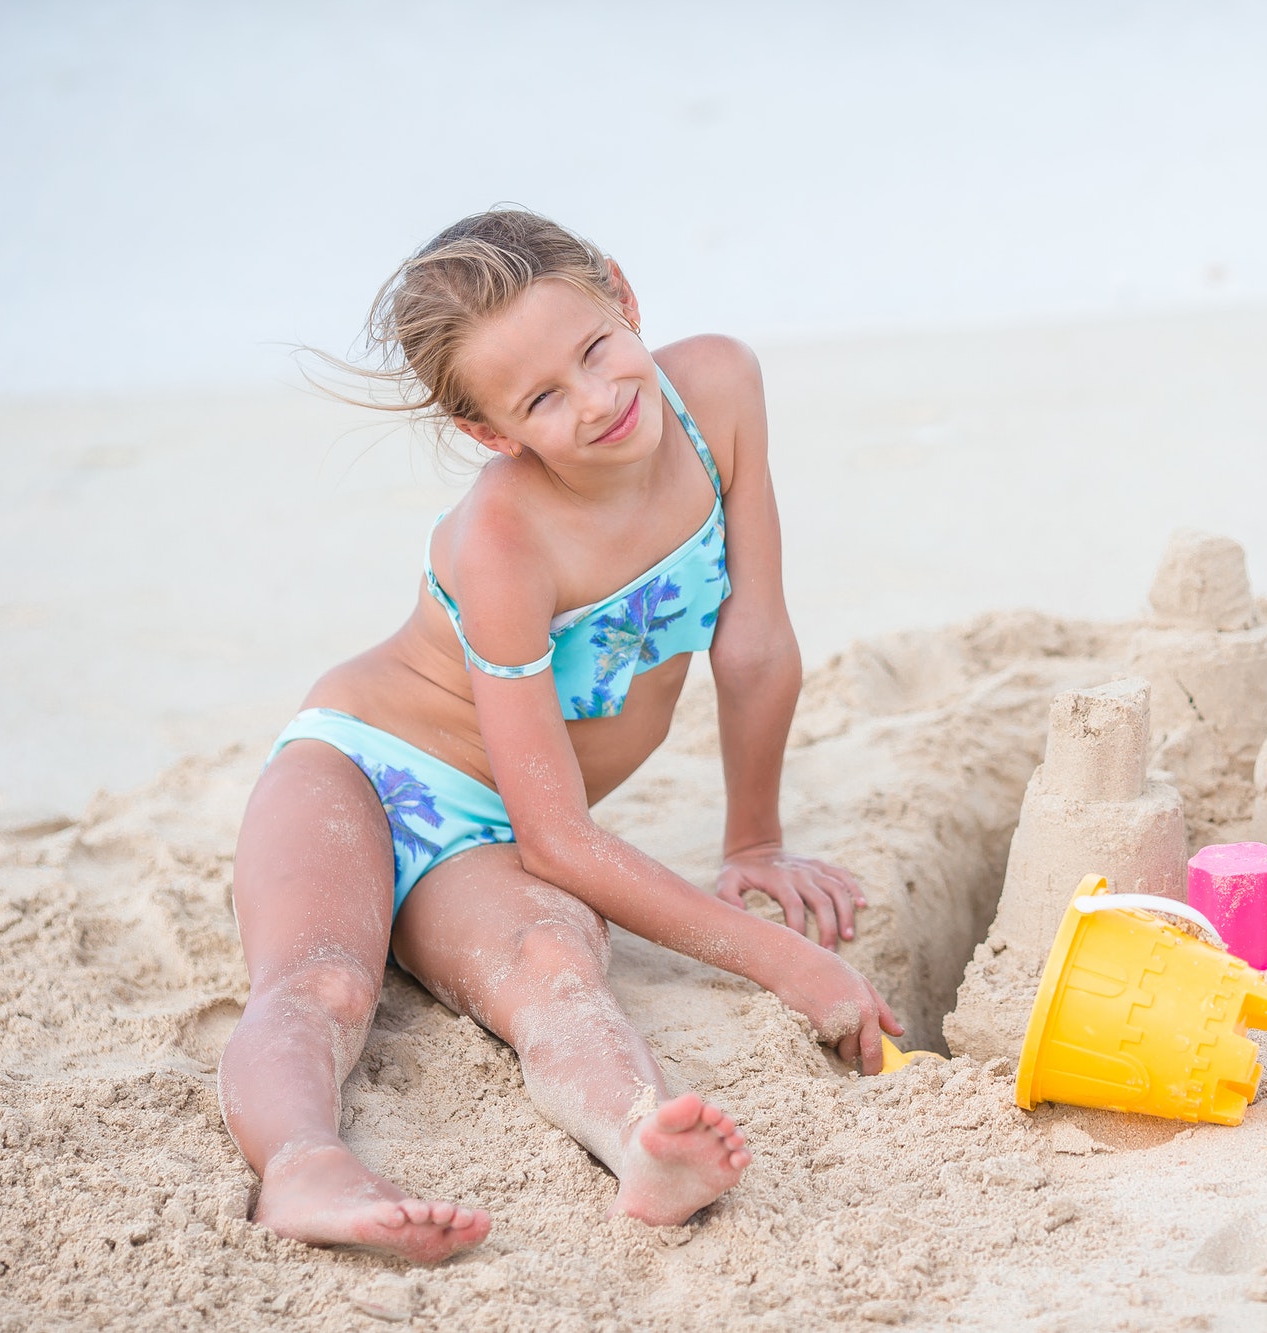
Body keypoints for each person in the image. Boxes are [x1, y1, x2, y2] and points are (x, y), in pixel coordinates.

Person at [221, 209, 901, 1262]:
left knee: (554, 959)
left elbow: (754, 644)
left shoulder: (714, 391)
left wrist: (754, 842)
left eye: (595, 348)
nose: (597, 399)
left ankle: (639, 1140)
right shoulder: (499, 537)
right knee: (322, 981)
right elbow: (562, 840)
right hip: (361, 768)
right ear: (490, 432)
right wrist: (784, 962)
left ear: (623, 297)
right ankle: (304, 1166)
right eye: (542, 397)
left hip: (494, 835)